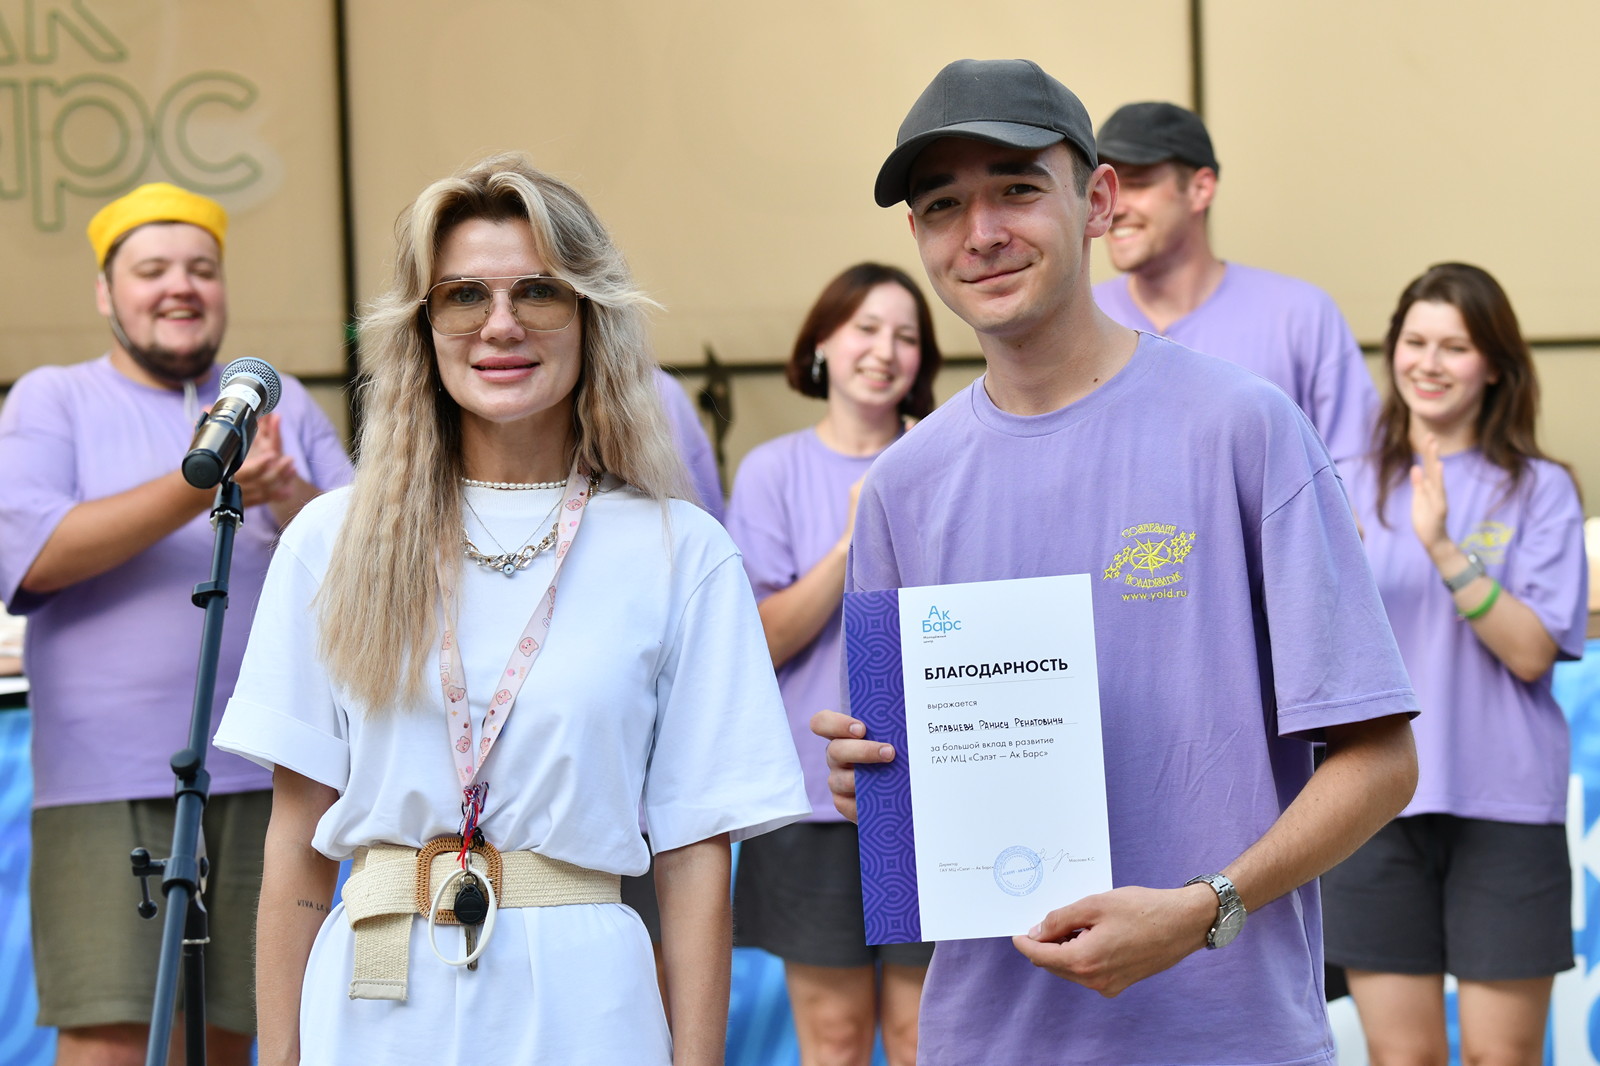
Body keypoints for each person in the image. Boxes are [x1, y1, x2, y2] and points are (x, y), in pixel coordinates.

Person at [811, 58, 1420, 1065]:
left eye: (1017, 188)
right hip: (991, 1042)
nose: (981, 231)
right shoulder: (901, 488)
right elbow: (912, 821)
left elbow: (1382, 760)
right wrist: (875, 786)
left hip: (1229, 1040)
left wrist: (1203, 908)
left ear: (1095, 201)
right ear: (916, 235)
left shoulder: (1245, 428)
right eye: (943, 204)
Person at [214, 152, 808, 1066]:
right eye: (463, 296)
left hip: (588, 1001)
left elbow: (696, 856)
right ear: (423, 327)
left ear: (589, 316)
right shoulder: (330, 540)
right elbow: (296, 840)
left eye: (538, 291)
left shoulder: (678, 550)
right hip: (376, 996)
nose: (500, 324)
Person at [0, 182, 352, 1066]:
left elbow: (366, 566)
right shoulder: (53, 398)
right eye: (152, 269)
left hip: (274, 776)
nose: (180, 287)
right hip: (108, 778)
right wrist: (205, 479)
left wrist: (286, 491)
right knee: (113, 1039)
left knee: (235, 1033)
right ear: (105, 292)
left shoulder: (280, 404)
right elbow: (33, 558)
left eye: (201, 268)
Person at [1321, 263, 1585, 1066]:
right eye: (1415, 342)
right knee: (1404, 1058)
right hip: (1370, 801)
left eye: (1456, 347)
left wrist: (1442, 548)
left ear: (1495, 365)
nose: (1428, 363)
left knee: (1500, 1057)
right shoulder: (1339, 482)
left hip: (1505, 804)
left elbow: (1531, 652)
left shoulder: (1539, 489)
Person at [726, 262, 943, 1066]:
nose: (885, 351)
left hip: (932, 790)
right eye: (866, 329)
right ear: (821, 342)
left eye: (907, 337)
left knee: (924, 1038)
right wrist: (854, 537)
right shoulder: (771, 471)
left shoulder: (945, 461)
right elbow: (759, 640)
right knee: (836, 1042)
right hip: (812, 803)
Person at [1091, 101, 1376, 464]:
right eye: (1105, 187)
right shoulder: (1079, 320)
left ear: (1201, 188)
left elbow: (1355, 469)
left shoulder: (1299, 316)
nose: (1115, 207)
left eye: (1136, 184)